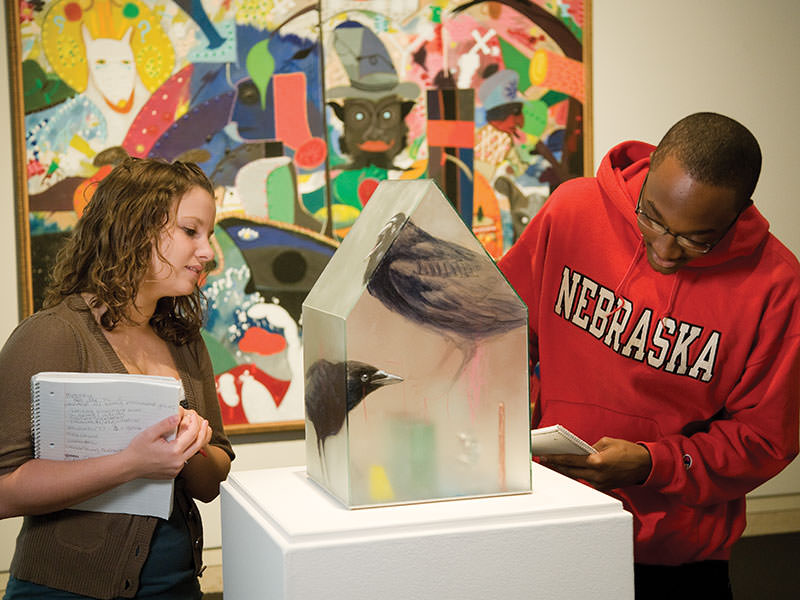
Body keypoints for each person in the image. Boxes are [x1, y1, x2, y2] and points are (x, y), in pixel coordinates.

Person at [498, 112, 800, 598]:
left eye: (695, 239)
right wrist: (523, 420)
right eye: (651, 218)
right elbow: (502, 330)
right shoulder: (573, 209)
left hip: (674, 552)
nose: (663, 250)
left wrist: (653, 463)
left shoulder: (777, 287)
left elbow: (764, 438)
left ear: (739, 212)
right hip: (551, 516)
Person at [0, 158, 234, 599]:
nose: (206, 252)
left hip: (178, 587)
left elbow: (212, 479)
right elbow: (3, 491)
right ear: (135, 228)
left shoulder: (184, 340)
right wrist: (131, 464)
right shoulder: (53, 334)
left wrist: (193, 448)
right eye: (190, 231)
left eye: (209, 234)